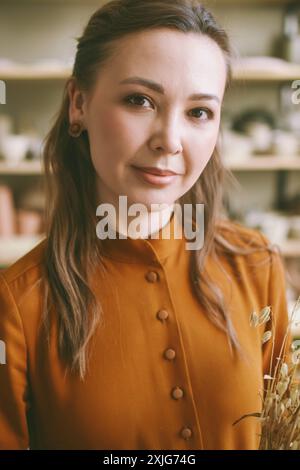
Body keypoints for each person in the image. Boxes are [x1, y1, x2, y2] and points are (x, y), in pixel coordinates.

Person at [0, 0, 291, 450]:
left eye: (198, 112)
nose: (170, 141)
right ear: (79, 104)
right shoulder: (19, 305)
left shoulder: (257, 265)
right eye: (140, 101)